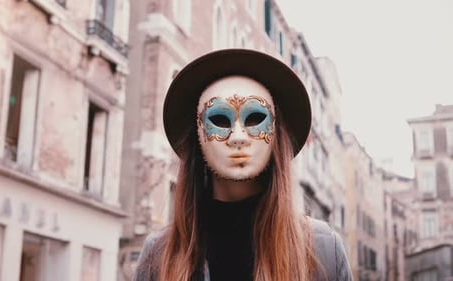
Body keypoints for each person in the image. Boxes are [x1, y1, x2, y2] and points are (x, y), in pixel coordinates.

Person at [133, 49, 353, 281]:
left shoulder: (324, 252)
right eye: (219, 120)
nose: (238, 137)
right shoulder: (158, 257)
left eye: (255, 119)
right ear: (198, 138)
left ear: (276, 135)